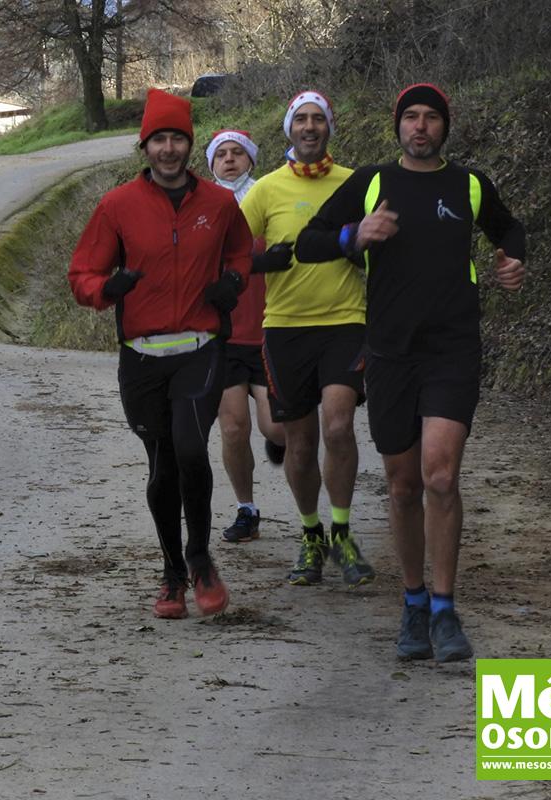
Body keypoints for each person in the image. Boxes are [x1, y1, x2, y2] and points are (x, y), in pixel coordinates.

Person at [295, 84, 525, 661]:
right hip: (389, 353)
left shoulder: (469, 185)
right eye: (411, 117)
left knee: (440, 477)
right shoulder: (373, 183)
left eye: (431, 118)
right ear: (397, 126)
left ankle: (445, 609)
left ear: (445, 126)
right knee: (402, 486)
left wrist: (513, 261)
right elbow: (308, 242)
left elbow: (509, 230)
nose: (421, 126)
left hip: (452, 351)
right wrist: (353, 235)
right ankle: (414, 601)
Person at [69, 89, 253, 620]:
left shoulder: (219, 204)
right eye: (158, 140)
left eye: (177, 139)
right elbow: (82, 274)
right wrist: (108, 289)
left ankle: (200, 560)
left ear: (190, 145)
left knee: (191, 448)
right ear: (144, 147)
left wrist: (233, 280)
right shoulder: (117, 206)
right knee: (163, 464)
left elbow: (241, 250)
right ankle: (173, 574)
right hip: (142, 357)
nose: (168, 149)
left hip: (200, 347)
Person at [238, 91, 376, 587]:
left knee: (338, 427)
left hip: (346, 321)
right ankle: (311, 534)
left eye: (319, 119)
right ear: (289, 129)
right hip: (285, 327)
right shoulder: (266, 190)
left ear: (330, 128)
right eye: (302, 119)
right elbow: (226, 250)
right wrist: (259, 262)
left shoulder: (357, 183)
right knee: (299, 444)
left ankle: (342, 533)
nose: (311, 127)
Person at [204, 129, 287, 544]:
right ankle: (246, 510)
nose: (230, 159)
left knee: (276, 429)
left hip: (270, 329)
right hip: (224, 337)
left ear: (251, 159)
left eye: (238, 152)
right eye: (221, 154)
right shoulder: (202, 208)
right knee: (234, 428)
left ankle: (280, 443)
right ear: (211, 164)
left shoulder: (269, 198)